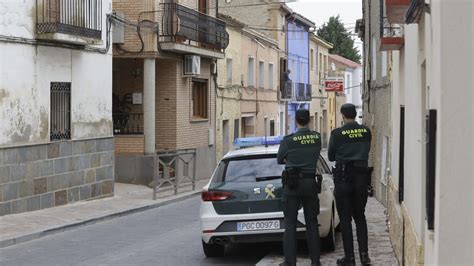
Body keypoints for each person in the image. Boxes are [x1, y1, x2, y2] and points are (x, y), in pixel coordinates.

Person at [328, 103, 372, 266]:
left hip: (344, 178)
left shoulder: (337, 134)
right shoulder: (366, 131)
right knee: (360, 216)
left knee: (345, 219)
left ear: (343, 116)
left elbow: (331, 156)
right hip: (361, 178)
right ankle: (365, 256)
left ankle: (350, 257)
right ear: (355, 114)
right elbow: (365, 152)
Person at [277, 109, 322, 266]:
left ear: (296, 120)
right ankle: (315, 262)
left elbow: (279, 159)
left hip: (292, 184)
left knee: (290, 223)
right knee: (312, 222)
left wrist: (291, 160)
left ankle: (290, 262)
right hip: (310, 183)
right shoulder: (317, 138)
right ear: (309, 120)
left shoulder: (289, 140)